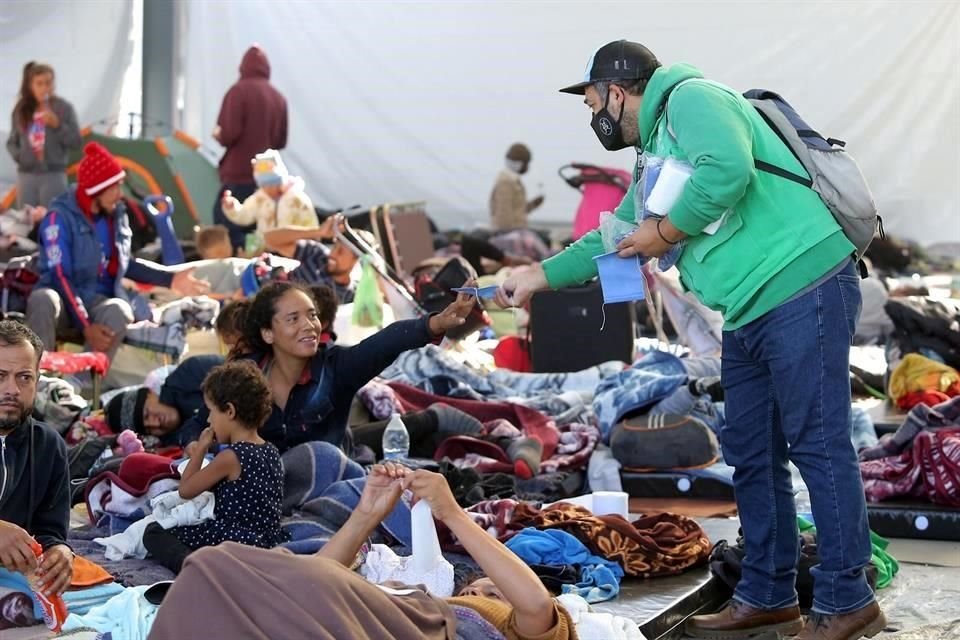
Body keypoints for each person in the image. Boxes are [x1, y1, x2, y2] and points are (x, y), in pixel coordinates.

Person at [496, 40, 885, 640]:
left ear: (616, 91)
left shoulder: (692, 99)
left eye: (591, 99)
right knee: (751, 452)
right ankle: (766, 594)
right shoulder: (653, 153)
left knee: (818, 442)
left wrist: (667, 231)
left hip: (802, 283)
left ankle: (845, 600)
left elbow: (726, 170)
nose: (590, 113)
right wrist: (536, 277)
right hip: (750, 307)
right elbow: (619, 236)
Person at [148, 463, 574, 639]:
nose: (482, 594)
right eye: (482, 589)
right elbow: (312, 580)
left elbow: (536, 602)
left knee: (212, 564)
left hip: (406, 625)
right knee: (210, 576)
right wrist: (368, 513)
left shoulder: (513, 624)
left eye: (494, 595)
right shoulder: (427, 596)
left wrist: (452, 512)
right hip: (355, 613)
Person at [183, 281, 476, 454]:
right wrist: (197, 450)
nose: (308, 326)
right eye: (293, 319)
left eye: (311, 316)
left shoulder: (336, 367)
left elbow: (386, 342)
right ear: (268, 333)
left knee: (327, 453)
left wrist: (437, 322)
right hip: (272, 488)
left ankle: (442, 424)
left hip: (326, 473)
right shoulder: (243, 376)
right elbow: (197, 429)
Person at [25, 143, 209, 361]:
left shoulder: (116, 215)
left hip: (98, 300)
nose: (120, 195)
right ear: (95, 191)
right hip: (64, 299)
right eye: (114, 187)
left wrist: (170, 278)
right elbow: (59, 275)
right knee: (43, 298)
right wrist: (85, 326)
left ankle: (79, 386)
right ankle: (39, 379)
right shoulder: (59, 218)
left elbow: (124, 263)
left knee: (120, 309)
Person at [143, 361, 288, 574]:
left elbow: (186, 490)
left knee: (153, 532)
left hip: (231, 542)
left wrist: (201, 448)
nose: (209, 420)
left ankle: (194, 567)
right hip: (266, 541)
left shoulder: (231, 457)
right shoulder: (272, 451)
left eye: (211, 411)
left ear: (229, 411)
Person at [0, 321, 73, 598]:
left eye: (24, 377)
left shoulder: (49, 446)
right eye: (0, 375)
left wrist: (60, 552)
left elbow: (50, 529)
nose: (12, 390)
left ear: (37, 381)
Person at [212, 45, 288, 253]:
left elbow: (229, 133)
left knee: (228, 224)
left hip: (238, 175)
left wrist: (219, 134)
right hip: (269, 180)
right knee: (261, 230)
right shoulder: (278, 98)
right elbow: (280, 141)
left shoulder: (238, 92)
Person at [6, 62, 81, 209]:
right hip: (26, 176)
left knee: (53, 220)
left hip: (54, 174)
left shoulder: (64, 108)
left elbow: (76, 141)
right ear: (31, 86)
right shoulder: (22, 109)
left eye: (48, 83)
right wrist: (21, 157)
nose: (44, 88)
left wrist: (57, 125)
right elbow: (11, 142)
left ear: (54, 84)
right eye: (39, 84)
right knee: (27, 223)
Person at [104, 354, 225, 445]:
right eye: (148, 429)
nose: (156, 423)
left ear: (150, 393)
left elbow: (239, 372)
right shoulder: (178, 443)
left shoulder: (191, 372)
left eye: (147, 414)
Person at [221, 149, 318, 255]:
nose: (267, 189)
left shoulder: (297, 200)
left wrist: (311, 245)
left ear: (281, 181)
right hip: (265, 249)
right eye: (263, 186)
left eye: (271, 184)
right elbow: (245, 214)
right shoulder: (260, 198)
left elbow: (310, 225)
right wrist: (232, 207)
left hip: (291, 250)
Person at [263, 216, 378, 303]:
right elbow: (270, 239)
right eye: (334, 246)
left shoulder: (351, 296)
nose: (332, 254)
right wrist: (318, 231)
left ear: (356, 261)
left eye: (340, 251)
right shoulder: (317, 254)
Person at [489, 142, 544, 231]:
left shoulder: (513, 182)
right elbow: (503, 216)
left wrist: (533, 204)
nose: (527, 167)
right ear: (519, 164)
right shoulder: (506, 182)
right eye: (526, 163)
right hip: (510, 236)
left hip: (516, 233)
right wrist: (509, 238)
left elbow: (517, 211)